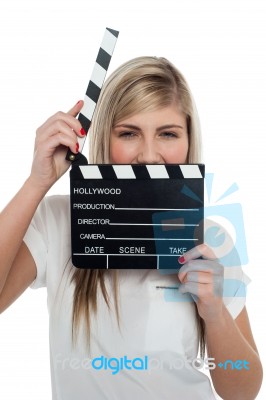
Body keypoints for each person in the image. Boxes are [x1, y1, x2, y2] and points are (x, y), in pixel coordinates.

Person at [0, 56, 263, 400]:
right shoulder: (58, 220)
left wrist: (214, 313)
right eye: (129, 133)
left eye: (168, 133)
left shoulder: (210, 241)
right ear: (105, 139)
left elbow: (243, 391)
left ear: (188, 141)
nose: (149, 155)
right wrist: (38, 182)